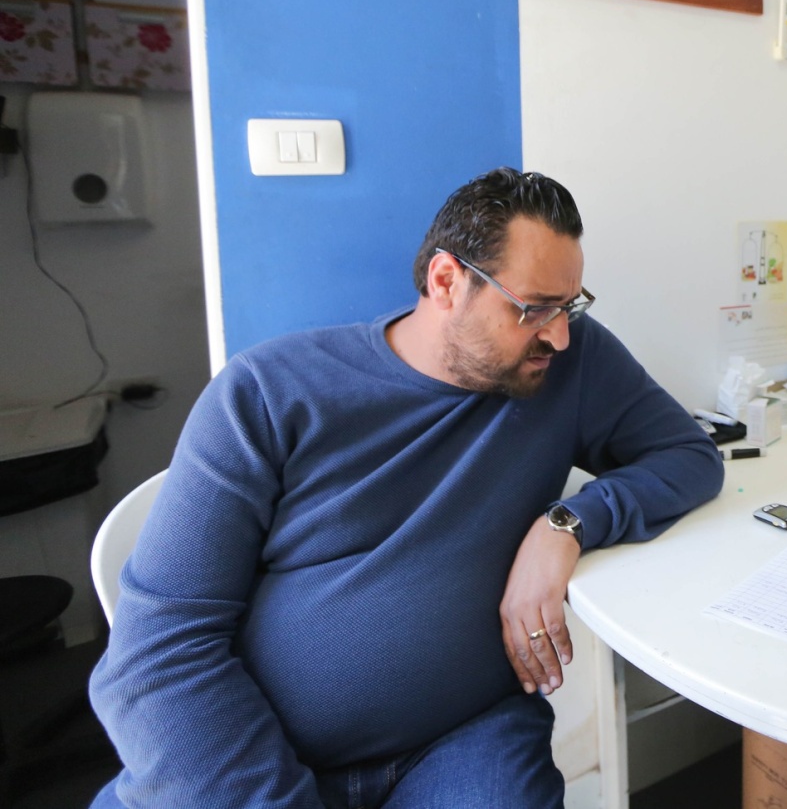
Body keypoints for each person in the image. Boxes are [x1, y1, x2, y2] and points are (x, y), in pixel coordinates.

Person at [89, 168, 723, 808]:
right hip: (255, 759)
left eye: (571, 305)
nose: (557, 333)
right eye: (533, 308)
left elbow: (689, 456)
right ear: (446, 282)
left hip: (463, 738)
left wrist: (566, 525)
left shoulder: (569, 360)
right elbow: (159, 653)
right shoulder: (268, 392)